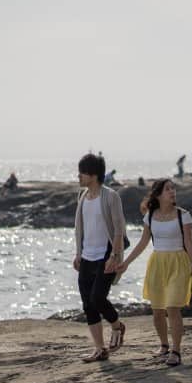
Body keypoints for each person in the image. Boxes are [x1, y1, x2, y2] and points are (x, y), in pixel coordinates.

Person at [118, 179, 192, 368]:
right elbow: (142, 243)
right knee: (157, 311)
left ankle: (176, 351)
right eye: (167, 189)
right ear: (158, 195)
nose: (172, 192)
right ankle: (164, 346)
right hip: (157, 263)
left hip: (179, 262)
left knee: (172, 307)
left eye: (173, 189)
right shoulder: (150, 216)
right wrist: (126, 263)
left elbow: (189, 242)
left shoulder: (183, 216)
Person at [72, 153, 127, 363]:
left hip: (106, 256)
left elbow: (118, 229)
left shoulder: (110, 196)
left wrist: (114, 256)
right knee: (88, 304)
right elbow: (80, 229)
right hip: (86, 256)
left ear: (93, 175)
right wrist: (78, 253)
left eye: (82, 172)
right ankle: (99, 349)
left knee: (97, 298)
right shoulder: (82, 196)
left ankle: (117, 326)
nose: (78, 176)